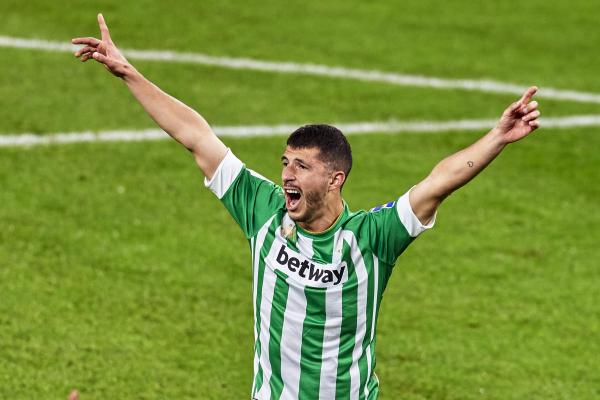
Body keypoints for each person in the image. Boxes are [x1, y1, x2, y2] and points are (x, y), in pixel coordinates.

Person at [72, 14, 541, 400]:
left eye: (301, 166)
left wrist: (498, 136)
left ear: (335, 178)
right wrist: (130, 73)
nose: (286, 175)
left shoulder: (371, 238)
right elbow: (196, 135)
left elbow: (437, 183)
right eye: (284, 162)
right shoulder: (262, 209)